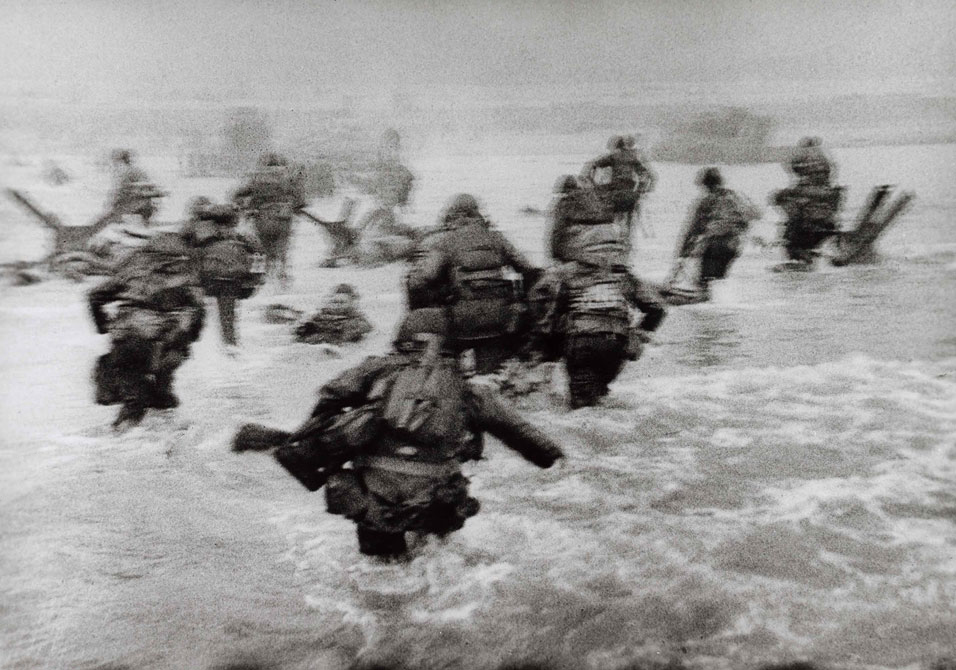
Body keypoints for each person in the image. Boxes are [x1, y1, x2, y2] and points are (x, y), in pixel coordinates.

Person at [236, 308, 564, 559]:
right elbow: (519, 432)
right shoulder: (468, 390)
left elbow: (330, 396)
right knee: (435, 560)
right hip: (437, 500)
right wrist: (554, 459)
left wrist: (314, 441)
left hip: (371, 499)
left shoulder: (376, 368)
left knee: (383, 572)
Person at [405, 193, 541, 375]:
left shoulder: (446, 241)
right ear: (477, 214)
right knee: (489, 377)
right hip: (500, 322)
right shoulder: (497, 238)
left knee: (450, 368)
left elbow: (420, 282)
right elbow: (530, 270)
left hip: (463, 324)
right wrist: (520, 303)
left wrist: (436, 297)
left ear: (453, 216)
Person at [89, 232, 205, 428]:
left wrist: (103, 325)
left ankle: (125, 434)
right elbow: (199, 310)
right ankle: (168, 431)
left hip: (127, 341)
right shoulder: (185, 276)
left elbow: (94, 297)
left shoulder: (132, 270)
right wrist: (190, 337)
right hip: (165, 346)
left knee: (132, 396)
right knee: (163, 392)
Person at [528, 250, 666, 409]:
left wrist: (545, 328)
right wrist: (638, 333)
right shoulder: (623, 274)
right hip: (616, 344)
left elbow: (537, 295)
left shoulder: (566, 271)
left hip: (582, 342)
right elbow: (657, 308)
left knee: (580, 408)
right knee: (599, 397)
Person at [180, 198, 263, 350]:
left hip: (204, 280)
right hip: (231, 281)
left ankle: (192, 346)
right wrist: (255, 280)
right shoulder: (240, 235)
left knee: (191, 311)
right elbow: (258, 255)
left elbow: (180, 251)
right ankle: (230, 347)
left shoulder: (196, 230)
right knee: (228, 318)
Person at [671, 167, 760, 298]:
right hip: (735, 246)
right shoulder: (737, 196)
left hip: (716, 245)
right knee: (718, 281)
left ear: (706, 184)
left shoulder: (706, 201)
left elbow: (692, 230)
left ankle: (702, 302)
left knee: (704, 282)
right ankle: (717, 304)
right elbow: (755, 215)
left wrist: (681, 255)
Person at [232, 152, 307, 285]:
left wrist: (246, 208)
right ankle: (282, 275)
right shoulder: (288, 176)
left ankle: (263, 276)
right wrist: (293, 206)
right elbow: (300, 199)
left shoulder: (256, 176)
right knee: (282, 248)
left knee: (263, 248)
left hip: (262, 217)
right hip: (284, 218)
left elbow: (237, 195)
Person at [774, 137, 843, 266]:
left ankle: (800, 255)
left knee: (792, 233)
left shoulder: (802, 158)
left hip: (805, 228)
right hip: (827, 222)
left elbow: (792, 166)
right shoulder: (823, 156)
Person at [580, 135, 656, 251]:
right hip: (631, 195)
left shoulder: (613, 156)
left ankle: (612, 245)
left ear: (614, 146)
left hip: (616, 194)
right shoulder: (632, 157)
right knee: (628, 226)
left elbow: (592, 164)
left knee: (612, 221)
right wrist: (642, 190)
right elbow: (649, 175)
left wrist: (592, 184)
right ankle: (627, 247)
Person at [97, 149, 166, 227]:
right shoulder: (134, 172)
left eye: (116, 162)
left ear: (121, 161)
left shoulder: (127, 173)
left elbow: (121, 194)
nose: (114, 165)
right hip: (138, 209)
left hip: (136, 210)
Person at [294, 283, 373, 346]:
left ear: (352, 304)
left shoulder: (358, 319)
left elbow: (362, 330)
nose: (337, 306)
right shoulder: (318, 316)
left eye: (342, 303)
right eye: (334, 302)